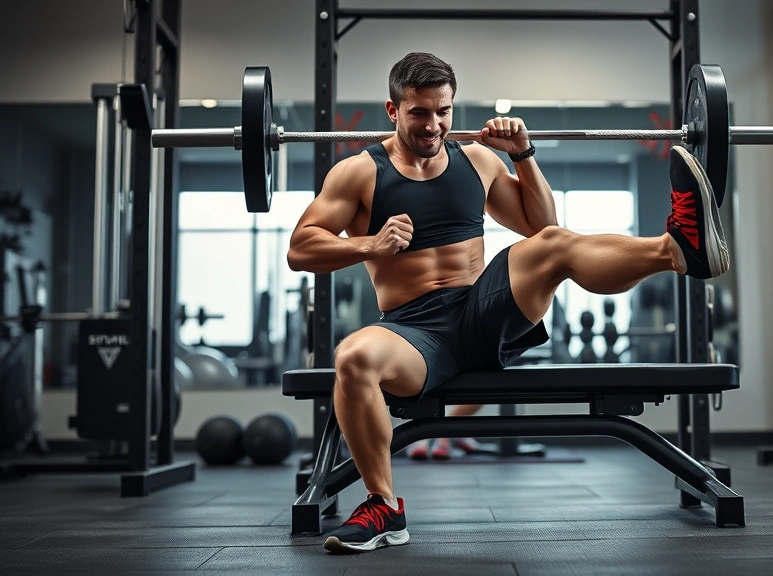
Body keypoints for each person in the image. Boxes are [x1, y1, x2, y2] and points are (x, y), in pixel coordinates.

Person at [287, 52, 729, 554]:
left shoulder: (477, 159)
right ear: (393, 110)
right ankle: (382, 507)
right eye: (419, 113)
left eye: (443, 111)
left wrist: (523, 154)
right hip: (413, 333)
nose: (433, 125)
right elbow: (300, 248)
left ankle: (677, 250)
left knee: (556, 245)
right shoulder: (359, 172)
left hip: (483, 309)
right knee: (353, 356)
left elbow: (540, 226)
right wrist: (369, 244)